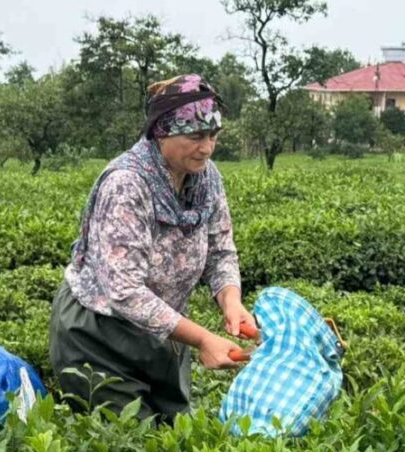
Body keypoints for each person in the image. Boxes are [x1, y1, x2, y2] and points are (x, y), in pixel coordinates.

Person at [49, 74, 256, 422]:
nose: (206, 148)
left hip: (163, 330)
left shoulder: (206, 177)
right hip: (99, 334)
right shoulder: (126, 185)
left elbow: (220, 251)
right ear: (162, 132)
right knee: (130, 440)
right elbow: (125, 291)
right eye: (195, 137)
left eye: (212, 136)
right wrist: (203, 339)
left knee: (176, 433)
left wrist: (231, 301)